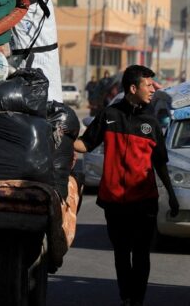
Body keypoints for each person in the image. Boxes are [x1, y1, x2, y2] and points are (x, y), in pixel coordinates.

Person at [73, 65, 179, 306]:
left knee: (141, 254)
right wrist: (61, 139)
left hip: (144, 201)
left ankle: (137, 300)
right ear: (133, 88)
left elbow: (160, 163)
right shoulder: (109, 115)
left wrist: (171, 196)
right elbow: (85, 145)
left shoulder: (151, 122)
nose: (153, 89)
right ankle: (126, 296)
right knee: (121, 253)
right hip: (114, 201)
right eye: (148, 85)